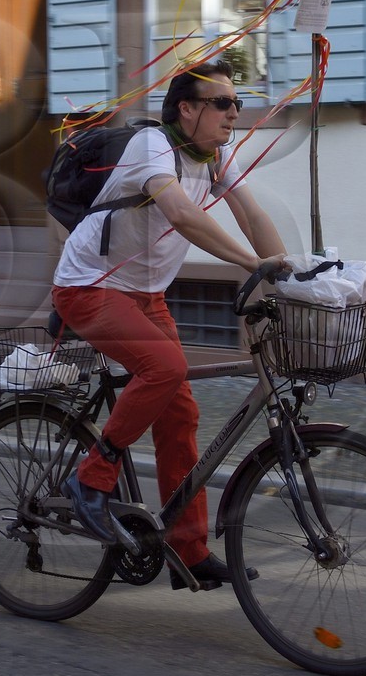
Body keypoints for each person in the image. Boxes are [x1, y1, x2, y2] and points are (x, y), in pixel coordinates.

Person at [51, 58, 287, 590]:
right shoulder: (153, 147)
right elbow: (181, 213)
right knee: (165, 369)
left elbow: (251, 214)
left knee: (179, 413)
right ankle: (91, 479)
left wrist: (291, 274)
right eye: (222, 103)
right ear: (187, 109)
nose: (233, 114)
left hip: (145, 295)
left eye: (237, 103)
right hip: (89, 286)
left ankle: (189, 549)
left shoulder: (213, 157)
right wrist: (252, 266)